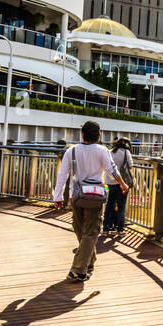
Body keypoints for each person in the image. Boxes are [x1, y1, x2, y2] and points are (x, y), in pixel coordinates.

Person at [52, 120, 128, 282]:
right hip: (95, 195)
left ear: (83, 134)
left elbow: (62, 175)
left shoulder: (71, 151)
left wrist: (58, 196)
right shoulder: (102, 150)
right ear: (98, 136)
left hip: (76, 196)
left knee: (80, 229)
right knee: (90, 232)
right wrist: (122, 184)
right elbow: (112, 170)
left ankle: (85, 265)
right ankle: (81, 267)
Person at [104, 136, 134, 237]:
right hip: (122, 183)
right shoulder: (126, 152)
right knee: (121, 206)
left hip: (109, 182)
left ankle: (105, 229)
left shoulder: (110, 151)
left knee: (109, 205)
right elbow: (130, 166)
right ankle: (120, 230)